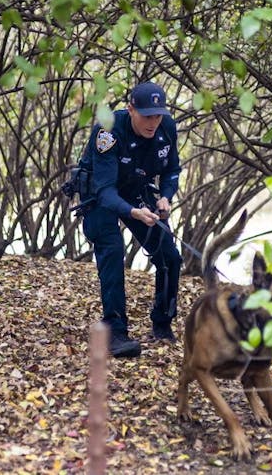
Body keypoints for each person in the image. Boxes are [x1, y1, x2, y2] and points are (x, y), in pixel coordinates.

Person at [78, 81, 183, 358]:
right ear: (131, 109)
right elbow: (105, 191)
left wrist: (166, 197)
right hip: (101, 194)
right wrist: (133, 213)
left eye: (158, 115)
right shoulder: (108, 131)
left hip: (136, 188)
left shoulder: (166, 128)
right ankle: (116, 331)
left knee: (170, 256)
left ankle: (162, 323)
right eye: (147, 115)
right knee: (113, 250)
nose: (153, 122)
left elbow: (172, 169)